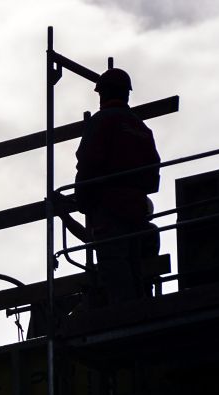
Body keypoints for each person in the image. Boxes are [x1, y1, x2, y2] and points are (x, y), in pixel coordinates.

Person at [75, 68, 161, 304]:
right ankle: (139, 309)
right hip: (135, 210)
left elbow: (88, 162)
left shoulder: (101, 121)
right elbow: (153, 176)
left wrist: (81, 200)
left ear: (103, 93)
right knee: (134, 267)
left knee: (115, 269)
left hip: (108, 208)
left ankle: (125, 316)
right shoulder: (141, 128)